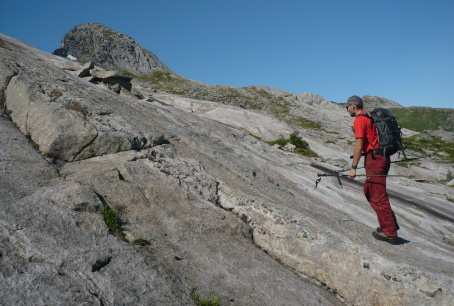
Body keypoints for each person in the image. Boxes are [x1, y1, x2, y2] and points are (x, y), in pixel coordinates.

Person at [345, 95, 400, 244]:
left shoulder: (360, 119)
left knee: (377, 196)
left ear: (353, 106)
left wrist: (354, 167)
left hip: (375, 159)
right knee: (370, 191)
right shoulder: (368, 118)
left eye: (347, 106)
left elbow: (358, 144)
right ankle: (390, 224)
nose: (346, 109)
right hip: (378, 158)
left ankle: (390, 233)